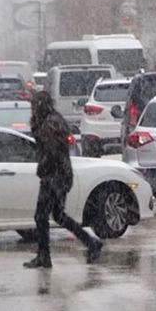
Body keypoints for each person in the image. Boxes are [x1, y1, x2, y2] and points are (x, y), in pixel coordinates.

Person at [24, 91, 103, 269]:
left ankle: (45, 255)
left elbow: (51, 152)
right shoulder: (51, 120)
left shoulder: (50, 124)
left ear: (40, 106)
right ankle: (90, 243)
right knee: (57, 215)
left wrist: (42, 168)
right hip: (60, 175)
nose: (32, 110)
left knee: (41, 216)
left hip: (55, 177)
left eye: (33, 106)